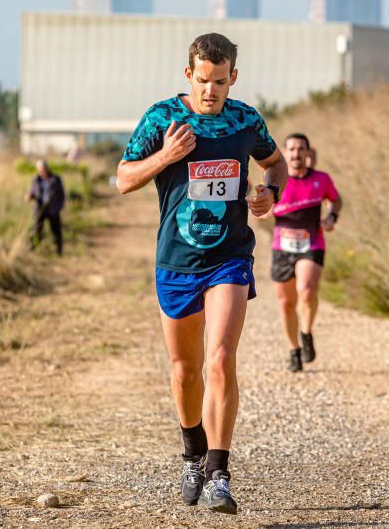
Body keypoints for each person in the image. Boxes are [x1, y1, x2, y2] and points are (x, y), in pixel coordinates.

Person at [116, 33, 287, 515]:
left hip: (230, 257)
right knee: (185, 371)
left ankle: (218, 473)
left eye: (219, 81)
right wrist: (166, 156)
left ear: (233, 76)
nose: (210, 90)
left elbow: (274, 164)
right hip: (177, 261)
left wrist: (269, 195)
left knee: (220, 360)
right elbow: (123, 178)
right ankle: (191, 453)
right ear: (187, 74)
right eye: (202, 80)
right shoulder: (162, 118)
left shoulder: (245, 119)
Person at [271, 134, 342, 372]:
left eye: (301, 149)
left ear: (308, 153)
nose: (296, 153)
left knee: (307, 290)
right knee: (285, 304)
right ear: (284, 152)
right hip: (282, 247)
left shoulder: (321, 179)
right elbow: (260, 208)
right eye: (291, 149)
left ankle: (306, 331)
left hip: (312, 244)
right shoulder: (275, 180)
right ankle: (294, 350)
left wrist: (332, 216)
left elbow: (335, 200)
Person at [27, 159, 65, 255]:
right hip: (40, 209)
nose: (42, 171)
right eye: (40, 169)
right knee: (37, 229)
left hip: (53, 209)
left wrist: (59, 207)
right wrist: (29, 196)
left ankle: (58, 251)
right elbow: (32, 191)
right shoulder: (36, 179)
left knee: (56, 231)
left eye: (43, 168)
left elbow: (62, 195)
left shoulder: (55, 179)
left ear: (47, 168)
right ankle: (32, 249)